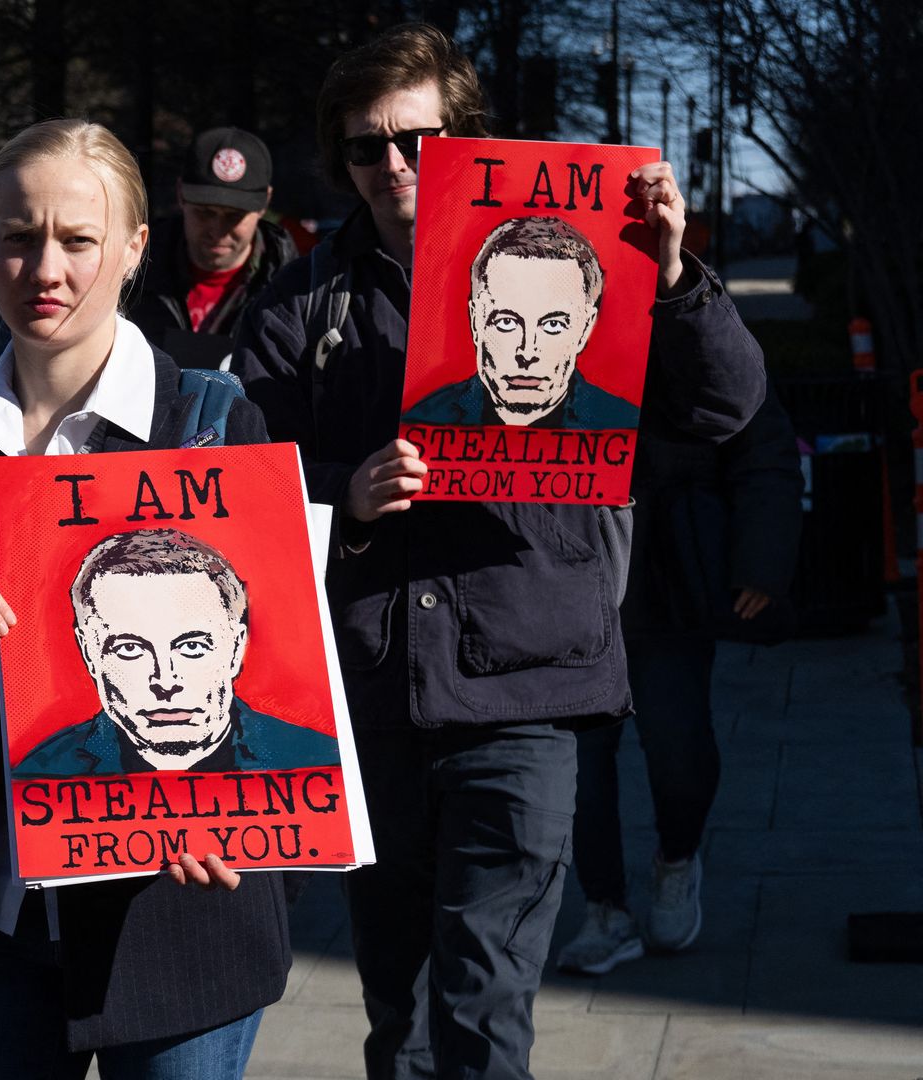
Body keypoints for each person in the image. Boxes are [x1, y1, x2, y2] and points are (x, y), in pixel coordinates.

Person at [231, 23, 765, 1080]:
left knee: (486, 1007)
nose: (393, 165)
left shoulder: (580, 260)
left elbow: (724, 406)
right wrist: (346, 493)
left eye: (417, 141)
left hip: (526, 689)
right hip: (375, 695)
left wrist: (670, 276)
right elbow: (243, 485)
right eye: (366, 147)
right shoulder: (303, 301)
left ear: (466, 140)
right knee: (400, 1015)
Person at [0, 118, 283, 1079]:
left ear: (136, 247)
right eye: (19, 237)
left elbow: (280, 672)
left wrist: (229, 804)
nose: (45, 269)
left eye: (77, 239)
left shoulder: (213, 425)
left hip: (179, 924)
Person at [556, 386, 802, 974]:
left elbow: (761, 443)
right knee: (579, 768)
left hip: (670, 582)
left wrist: (760, 561)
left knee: (678, 751)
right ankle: (605, 907)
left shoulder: (691, 334)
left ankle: (677, 858)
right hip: (567, 582)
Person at [13, 527, 341, 777]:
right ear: (90, 654)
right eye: (130, 649)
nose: (166, 682)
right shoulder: (41, 777)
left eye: (192, 646)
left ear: (235, 648)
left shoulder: (319, 763)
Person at [402, 216, 640, 429]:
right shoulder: (424, 423)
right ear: (476, 322)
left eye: (553, 325)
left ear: (585, 329)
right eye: (506, 322)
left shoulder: (622, 426)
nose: (527, 353)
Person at [124, 126, 296, 370]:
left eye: (234, 216)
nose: (217, 230)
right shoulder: (132, 272)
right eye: (204, 213)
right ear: (180, 195)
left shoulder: (294, 290)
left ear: (264, 203)